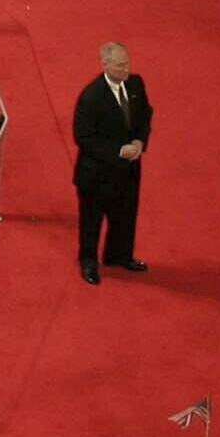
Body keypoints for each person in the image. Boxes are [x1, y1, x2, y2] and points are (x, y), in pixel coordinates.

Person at [73, 41, 152, 284]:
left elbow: (145, 115)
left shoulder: (135, 83)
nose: (125, 69)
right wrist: (118, 151)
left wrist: (139, 141)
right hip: (97, 174)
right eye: (120, 65)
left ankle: (119, 256)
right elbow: (84, 138)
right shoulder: (91, 97)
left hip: (128, 170)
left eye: (127, 63)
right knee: (92, 221)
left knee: (125, 215)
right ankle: (89, 262)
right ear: (105, 64)